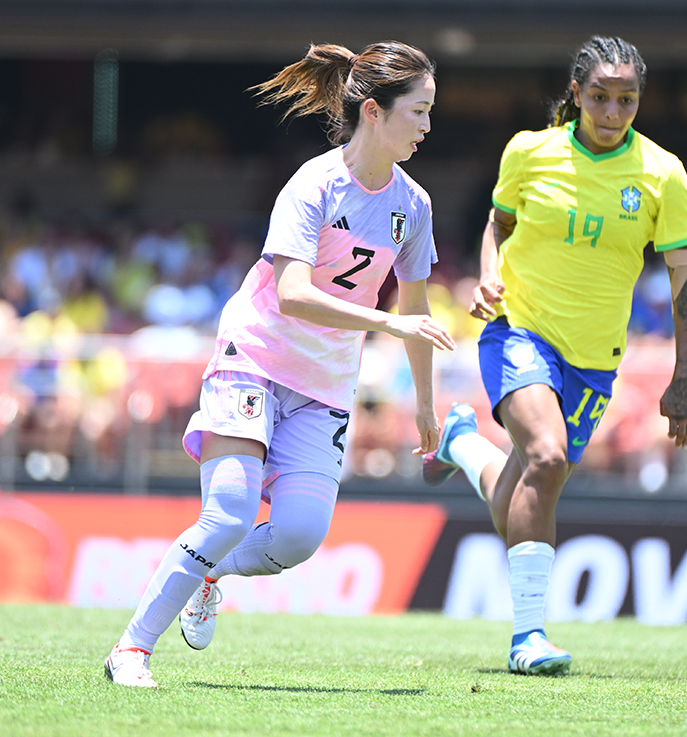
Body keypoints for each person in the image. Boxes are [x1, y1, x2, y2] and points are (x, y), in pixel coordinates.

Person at [104, 41, 454, 687]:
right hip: (255, 360)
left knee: (296, 537)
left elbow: (418, 313)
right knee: (229, 512)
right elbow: (292, 294)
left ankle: (212, 570)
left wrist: (426, 407)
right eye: (420, 111)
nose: (429, 127)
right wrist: (385, 322)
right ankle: (131, 650)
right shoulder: (313, 184)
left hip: (324, 385)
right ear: (374, 112)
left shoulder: (415, 206)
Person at [421, 35, 687, 676]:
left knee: (527, 487)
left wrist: (684, 374)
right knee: (546, 457)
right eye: (600, 98)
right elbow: (499, 223)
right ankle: (529, 639)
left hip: (596, 357)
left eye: (626, 101)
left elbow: (685, 276)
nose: (612, 113)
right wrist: (488, 274)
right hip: (518, 329)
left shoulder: (663, 173)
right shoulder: (529, 151)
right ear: (576, 94)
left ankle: (461, 443)